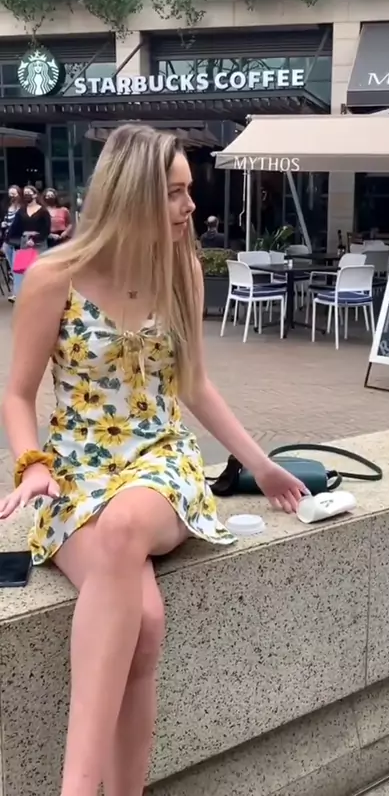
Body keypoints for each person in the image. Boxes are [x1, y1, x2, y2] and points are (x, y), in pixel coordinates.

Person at [0, 125, 307, 796]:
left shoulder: (181, 271)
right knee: (144, 623)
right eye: (174, 192)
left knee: (123, 528)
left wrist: (259, 463)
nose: (190, 206)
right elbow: (17, 394)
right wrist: (33, 465)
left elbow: (194, 385)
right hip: (76, 474)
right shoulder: (52, 278)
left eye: (187, 191)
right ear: (131, 193)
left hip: (160, 463)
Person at [7, 185, 50, 303]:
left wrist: (35, 239)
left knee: (39, 269)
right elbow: (15, 227)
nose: (26, 195)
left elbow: (46, 229)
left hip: (39, 243)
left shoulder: (43, 211)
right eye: (25, 193)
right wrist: (9, 240)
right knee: (24, 270)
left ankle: (42, 295)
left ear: (35, 195)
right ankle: (25, 296)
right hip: (24, 242)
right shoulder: (21, 211)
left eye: (29, 193)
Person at [1, 185, 22, 272]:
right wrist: (2, 224)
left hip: (19, 240)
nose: (12, 196)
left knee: (19, 266)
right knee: (11, 266)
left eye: (14, 194)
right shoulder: (6, 207)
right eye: (10, 194)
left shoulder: (22, 207)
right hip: (7, 239)